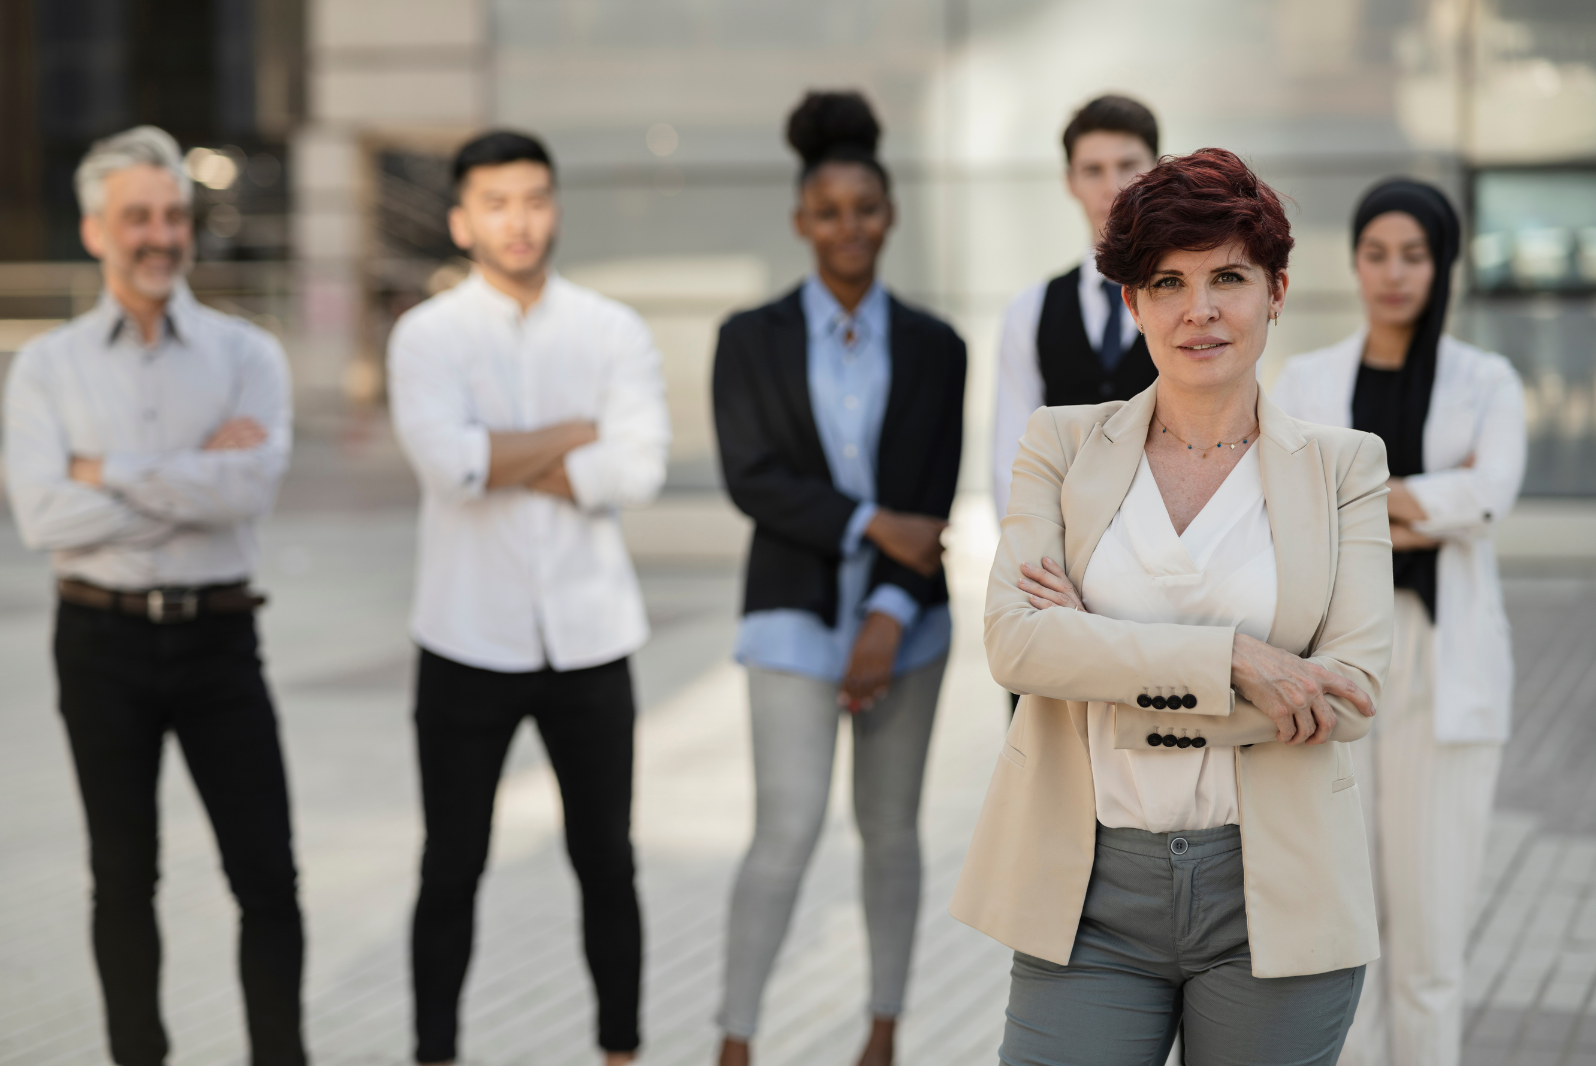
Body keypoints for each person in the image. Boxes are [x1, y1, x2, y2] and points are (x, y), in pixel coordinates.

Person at [950, 148, 1392, 1066]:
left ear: (1275, 291)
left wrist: (1101, 651)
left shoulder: (1344, 466)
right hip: (1087, 893)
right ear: (1132, 304)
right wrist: (1240, 661)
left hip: (1275, 894)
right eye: (1167, 283)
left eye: (1227, 277)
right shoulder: (1062, 446)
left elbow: (1348, 696)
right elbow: (1017, 644)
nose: (1199, 310)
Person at [3, 126, 303, 1065]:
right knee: (122, 879)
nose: (161, 235)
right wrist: (184, 483)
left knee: (268, 879)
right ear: (97, 231)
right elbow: (45, 518)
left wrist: (109, 475)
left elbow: (247, 492)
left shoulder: (248, 356)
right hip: (100, 644)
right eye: (139, 216)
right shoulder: (45, 368)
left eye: (174, 215)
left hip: (221, 640)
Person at [386, 131, 670, 1067]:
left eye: (535, 198)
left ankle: (619, 1052)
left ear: (555, 207)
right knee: (451, 867)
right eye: (497, 202)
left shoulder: (611, 328)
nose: (519, 219)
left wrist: (507, 452)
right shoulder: (426, 337)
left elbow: (638, 466)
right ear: (464, 219)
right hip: (466, 637)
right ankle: (436, 1053)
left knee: (607, 865)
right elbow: (451, 464)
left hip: (591, 637)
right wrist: (569, 439)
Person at [710, 91, 966, 1067]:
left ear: (890, 213)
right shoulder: (750, 338)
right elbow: (753, 480)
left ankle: (885, 1030)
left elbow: (932, 491)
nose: (848, 227)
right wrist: (867, 524)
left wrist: (890, 615)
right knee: (785, 831)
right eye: (829, 211)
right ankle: (735, 1038)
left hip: (912, 626)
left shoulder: (937, 346)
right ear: (800, 221)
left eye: (866, 208)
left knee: (890, 832)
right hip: (790, 614)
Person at [1270, 180, 1525, 1066]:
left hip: (1439, 660)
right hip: (1342, 662)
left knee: (1430, 930)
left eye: (1413, 255)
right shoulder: (1305, 380)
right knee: (1347, 927)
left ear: (1442, 264)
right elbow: (1292, 510)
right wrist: (1425, 501)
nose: (1393, 273)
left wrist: (1360, 502)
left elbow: (1487, 495)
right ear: (1354, 263)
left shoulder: (1486, 380)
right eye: (1376, 253)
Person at [991, 94, 1161, 519]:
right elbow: (1011, 456)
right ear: (1070, 182)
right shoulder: (1029, 310)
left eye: (1127, 166)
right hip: (1063, 553)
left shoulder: (1198, 305)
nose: (1112, 186)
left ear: (1157, 172)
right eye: (1093, 170)